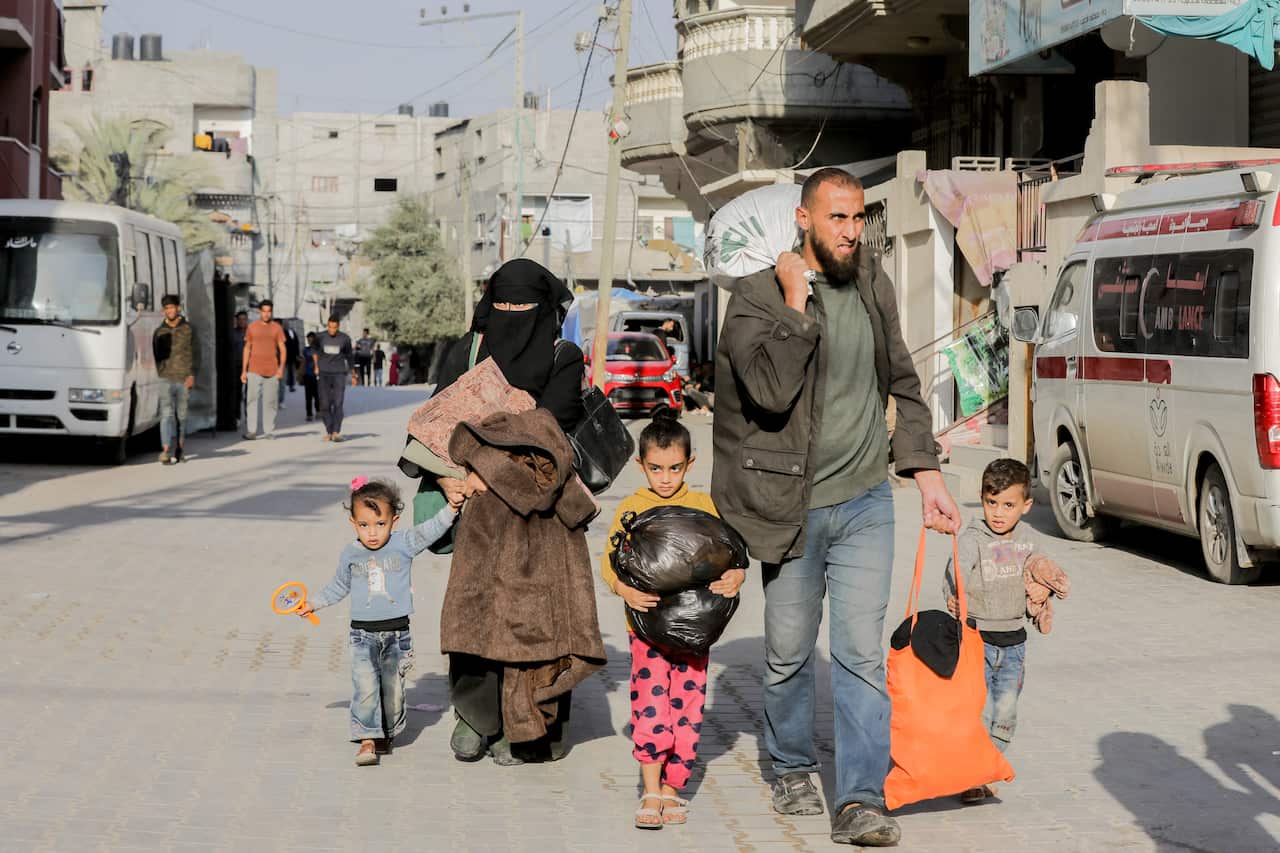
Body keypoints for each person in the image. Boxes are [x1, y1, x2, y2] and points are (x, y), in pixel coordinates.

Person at [712, 167, 961, 847]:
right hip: (787, 505)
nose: (852, 232)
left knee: (857, 652)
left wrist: (926, 471)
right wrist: (796, 306)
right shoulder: (757, 298)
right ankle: (791, 760)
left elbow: (903, 380)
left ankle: (858, 797)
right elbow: (766, 391)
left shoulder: (872, 283)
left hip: (865, 499)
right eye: (838, 219)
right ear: (803, 219)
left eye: (859, 218)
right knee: (790, 652)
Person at [402, 258, 590, 765]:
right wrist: (449, 479)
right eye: (502, 305)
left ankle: (525, 722)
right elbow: (429, 424)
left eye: (522, 306)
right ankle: (473, 717)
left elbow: (548, 433)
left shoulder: (563, 357)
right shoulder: (468, 351)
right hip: (476, 515)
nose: (511, 315)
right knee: (474, 616)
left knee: (534, 623)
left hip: (539, 514)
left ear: (545, 308)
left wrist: (489, 474)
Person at [600, 412, 745, 829]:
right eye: (656, 469)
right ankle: (649, 787)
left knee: (689, 709)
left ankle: (673, 787)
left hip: (695, 633)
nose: (665, 478)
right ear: (641, 466)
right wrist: (624, 590)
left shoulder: (703, 506)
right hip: (645, 629)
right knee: (650, 707)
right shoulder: (631, 510)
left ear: (690, 465)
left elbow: (730, 556)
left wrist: (736, 576)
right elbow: (610, 563)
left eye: (675, 468)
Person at [298, 477, 459, 766]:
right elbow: (338, 585)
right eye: (364, 525)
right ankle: (367, 740)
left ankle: (387, 731)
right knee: (365, 686)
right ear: (353, 523)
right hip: (362, 635)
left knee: (393, 690)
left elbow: (431, 530)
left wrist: (452, 508)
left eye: (380, 524)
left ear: (394, 520)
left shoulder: (404, 544)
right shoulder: (351, 553)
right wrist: (313, 603)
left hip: (398, 635)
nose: (372, 533)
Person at [944, 458, 1061, 804]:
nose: (998, 512)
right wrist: (954, 598)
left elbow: (1043, 572)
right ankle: (973, 774)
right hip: (978, 640)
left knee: (1005, 714)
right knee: (976, 711)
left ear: (1025, 505)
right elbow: (955, 573)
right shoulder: (972, 539)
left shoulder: (1029, 541)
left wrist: (1046, 592)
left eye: (1008, 505)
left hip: (1014, 647)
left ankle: (987, 764)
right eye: (990, 502)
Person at [152, 294, 194, 465]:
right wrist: (161, 372)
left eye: (172, 307)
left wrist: (191, 374)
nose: (169, 310)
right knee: (166, 414)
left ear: (178, 308)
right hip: (166, 378)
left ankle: (181, 448)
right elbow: (156, 355)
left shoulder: (188, 329)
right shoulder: (159, 332)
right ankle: (166, 450)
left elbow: (195, 353)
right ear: (164, 311)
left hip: (184, 378)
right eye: (166, 308)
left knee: (182, 416)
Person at [240, 300, 286, 440]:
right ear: (260, 312)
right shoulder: (252, 327)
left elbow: (283, 349)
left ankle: (268, 431)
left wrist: (281, 369)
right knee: (251, 400)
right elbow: (247, 348)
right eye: (264, 311)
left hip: (272, 370)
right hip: (254, 369)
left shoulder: (277, 328)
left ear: (271, 312)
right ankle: (252, 431)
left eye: (269, 311)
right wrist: (244, 370)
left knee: (270, 402)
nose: (266, 314)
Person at [316, 315, 356, 442]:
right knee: (324, 404)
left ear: (338, 327)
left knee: (338, 403)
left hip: (339, 374)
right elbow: (314, 352)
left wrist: (353, 374)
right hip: (324, 374)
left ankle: (336, 432)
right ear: (327, 326)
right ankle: (329, 430)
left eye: (334, 327)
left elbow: (350, 357)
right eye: (330, 327)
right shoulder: (320, 337)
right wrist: (316, 367)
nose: (332, 330)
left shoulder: (345, 339)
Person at [231, 310, 249, 429]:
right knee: (237, 393)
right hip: (237, 366)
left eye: (244, 319)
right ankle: (237, 416)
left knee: (249, 394)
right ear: (236, 320)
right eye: (240, 319)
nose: (242, 321)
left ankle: (249, 416)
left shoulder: (251, 333)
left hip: (250, 366)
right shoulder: (233, 333)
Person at [301, 332, 320, 423]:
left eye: (311, 338)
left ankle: (318, 411)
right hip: (307, 375)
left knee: (317, 395)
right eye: (308, 339)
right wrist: (300, 373)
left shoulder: (319, 350)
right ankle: (309, 414)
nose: (309, 340)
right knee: (308, 396)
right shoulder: (305, 350)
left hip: (317, 375)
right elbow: (303, 362)